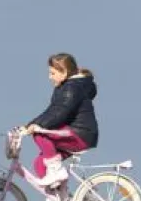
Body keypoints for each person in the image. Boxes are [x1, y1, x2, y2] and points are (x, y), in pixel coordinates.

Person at [22, 52, 99, 188]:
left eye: (52, 73)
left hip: (79, 134)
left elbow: (59, 113)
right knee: (39, 163)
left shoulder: (71, 88)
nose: (49, 77)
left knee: (39, 133)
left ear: (64, 72)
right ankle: (60, 197)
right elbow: (51, 111)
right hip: (75, 134)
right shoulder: (65, 87)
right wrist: (30, 124)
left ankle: (56, 171)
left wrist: (35, 127)